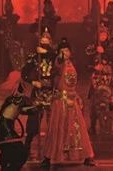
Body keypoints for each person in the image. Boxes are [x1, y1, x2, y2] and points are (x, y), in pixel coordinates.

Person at [41, 38, 95, 167]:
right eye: (62, 50)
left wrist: (77, 96)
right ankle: (48, 157)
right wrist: (58, 55)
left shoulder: (72, 64)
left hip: (72, 99)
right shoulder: (59, 63)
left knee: (78, 128)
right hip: (61, 101)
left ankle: (87, 156)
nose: (64, 52)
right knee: (57, 128)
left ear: (70, 52)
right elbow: (58, 62)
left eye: (67, 50)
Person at [0, 70, 35, 170]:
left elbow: (23, 109)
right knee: (20, 153)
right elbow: (27, 109)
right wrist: (38, 106)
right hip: (4, 129)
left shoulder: (12, 98)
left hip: (2, 128)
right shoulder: (18, 98)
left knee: (10, 152)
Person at [21, 28, 55, 156]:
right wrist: (33, 81)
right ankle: (27, 144)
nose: (44, 41)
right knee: (33, 121)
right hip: (38, 93)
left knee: (53, 121)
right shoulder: (35, 57)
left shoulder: (54, 56)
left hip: (52, 92)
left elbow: (60, 61)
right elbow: (24, 73)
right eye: (43, 39)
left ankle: (54, 147)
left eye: (47, 39)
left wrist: (47, 52)